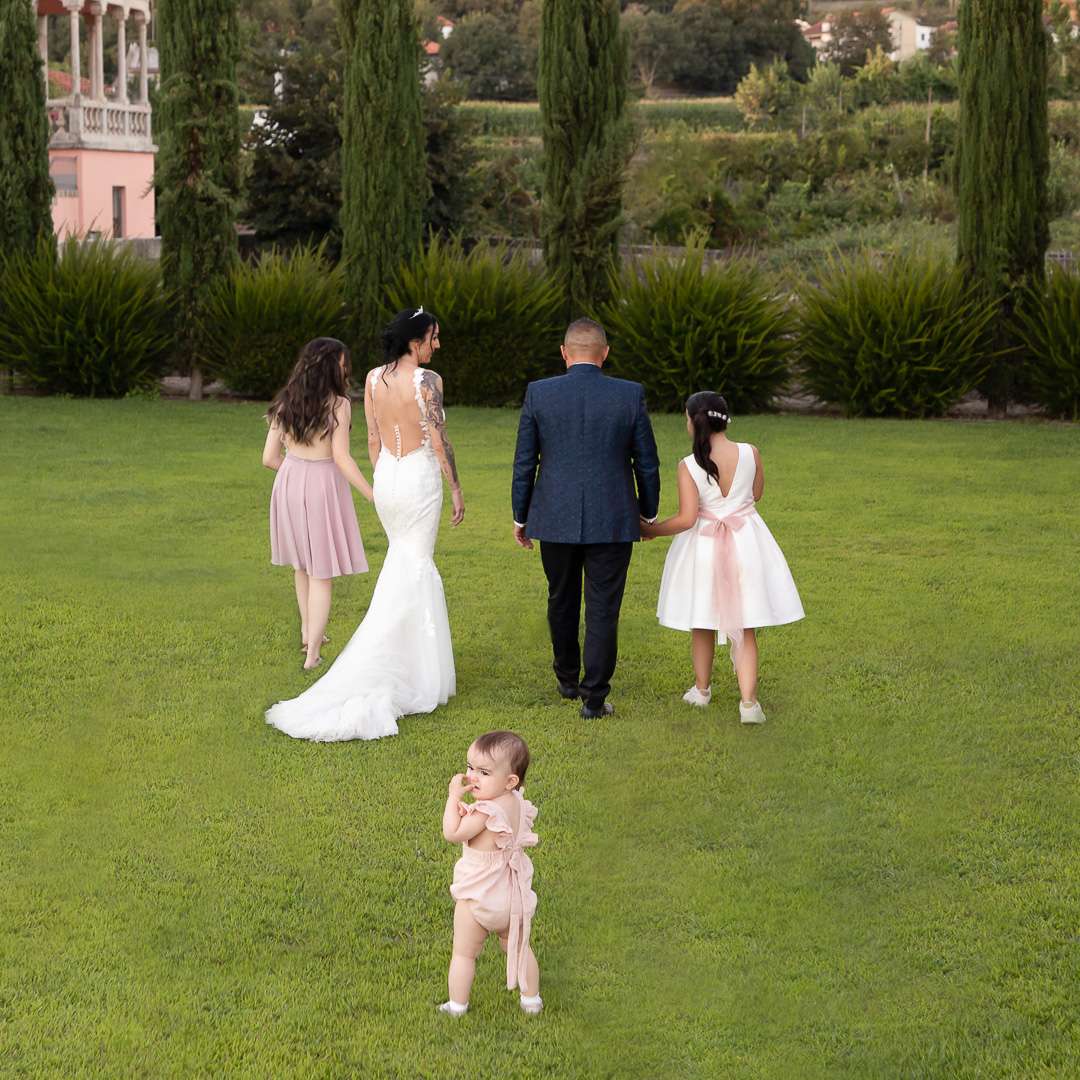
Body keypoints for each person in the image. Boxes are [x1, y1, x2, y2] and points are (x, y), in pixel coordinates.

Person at [265, 308, 462, 741]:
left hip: (388, 476)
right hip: (418, 478)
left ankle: (387, 652)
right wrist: (456, 489)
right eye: (434, 337)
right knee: (415, 565)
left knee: (401, 562)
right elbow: (438, 439)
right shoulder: (428, 382)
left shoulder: (372, 379)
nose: (437, 345)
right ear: (417, 341)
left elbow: (373, 440)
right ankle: (399, 660)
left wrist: (382, 478)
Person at [511, 318, 661, 719]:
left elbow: (525, 461)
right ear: (605, 353)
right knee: (603, 607)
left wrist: (520, 516)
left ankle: (566, 677)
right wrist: (648, 511)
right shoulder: (629, 395)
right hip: (612, 516)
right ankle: (593, 698)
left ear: (564, 353)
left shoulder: (539, 394)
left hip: (554, 516)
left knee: (561, 598)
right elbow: (646, 462)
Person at [641, 391, 804, 724]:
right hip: (747, 543)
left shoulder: (689, 465)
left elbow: (687, 519)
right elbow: (756, 494)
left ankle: (701, 690)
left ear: (692, 421)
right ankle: (749, 704)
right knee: (745, 626)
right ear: (725, 418)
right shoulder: (750, 452)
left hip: (703, 548)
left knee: (701, 620)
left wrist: (650, 530)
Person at [262, 338, 374, 671]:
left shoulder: (285, 401)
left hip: (289, 482)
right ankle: (313, 654)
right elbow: (341, 457)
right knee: (322, 573)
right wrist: (371, 493)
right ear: (329, 366)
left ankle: (308, 633)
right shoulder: (338, 404)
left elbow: (269, 458)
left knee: (303, 565)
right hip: (322, 485)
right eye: (342, 363)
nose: (345, 369)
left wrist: (295, 473)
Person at [440, 731, 541, 1017]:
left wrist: (452, 800)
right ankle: (531, 1000)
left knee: (463, 953)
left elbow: (453, 832)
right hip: (511, 895)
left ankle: (457, 1005)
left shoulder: (485, 810)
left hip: (479, 896)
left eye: (484, 772)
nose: (472, 777)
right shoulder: (516, 802)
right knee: (520, 949)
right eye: (470, 767)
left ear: (510, 781)